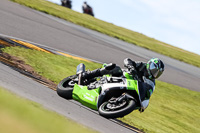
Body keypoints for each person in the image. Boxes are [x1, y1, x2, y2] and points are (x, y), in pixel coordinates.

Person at [81, 58, 165, 112]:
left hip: (130, 89)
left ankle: (114, 103)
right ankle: (87, 75)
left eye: (157, 73)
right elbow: (127, 60)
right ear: (149, 65)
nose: (155, 73)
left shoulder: (151, 83)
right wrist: (131, 67)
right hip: (123, 77)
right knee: (115, 68)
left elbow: (148, 94)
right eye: (154, 69)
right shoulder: (142, 65)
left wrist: (143, 105)